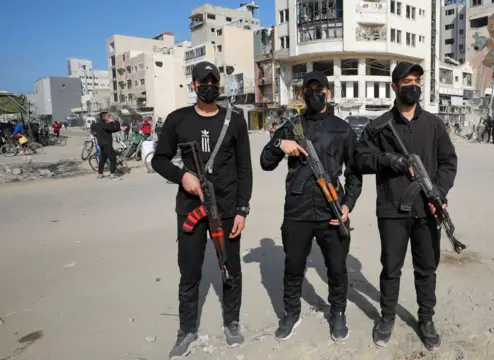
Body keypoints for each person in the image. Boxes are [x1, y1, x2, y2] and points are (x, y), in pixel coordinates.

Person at [353, 62, 458, 350]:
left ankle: (426, 319)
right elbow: (360, 159)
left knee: (426, 268)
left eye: (417, 81)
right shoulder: (378, 127)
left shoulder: (434, 125)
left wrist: (440, 191)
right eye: (407, 81)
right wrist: (390, 160)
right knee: (391, 268)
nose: (413, 86)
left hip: (427, 210)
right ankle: (387, 317)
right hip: (391, 210)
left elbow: (449, 162)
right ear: (394, 87)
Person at [151, 61, 253, 358]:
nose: (208, 85)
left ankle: (231, 322)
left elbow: (244, 168)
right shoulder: (177, 120)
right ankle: (187, 330)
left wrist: (243, 210)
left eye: (213, 80)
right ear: (193, 85)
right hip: (191, 207)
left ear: (219, 84)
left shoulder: (234, 120)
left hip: (227, 207)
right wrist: (182, 175)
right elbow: (160, 159)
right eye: (202, 80)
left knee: (230, 268)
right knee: (190, 271)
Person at [260, 70, 363, 342]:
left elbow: (354, 173)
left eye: (320, 89)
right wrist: (280, 144)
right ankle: (291, 314)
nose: (315, 93)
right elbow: (265, 162)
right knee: (293, 267)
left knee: (337, 268)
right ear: (303, 93)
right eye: (310, 89)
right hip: (297, 211)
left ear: (328, 92)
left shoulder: (342, 128)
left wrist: (348, 204)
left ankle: (338, 313)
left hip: (332, 210)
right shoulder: (291, 127)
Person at [91, 112, 122, 180]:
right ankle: (112, 175)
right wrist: (115, 121)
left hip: (101, 143)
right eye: (108, 116)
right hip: (107, 144)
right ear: (104, 117)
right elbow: (115, 129)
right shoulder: (105, 124)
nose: (110, 117)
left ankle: (100, 175)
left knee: (103, 159)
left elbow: (94, 130)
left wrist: (97, 135)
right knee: (113, 158)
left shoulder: (96, 124)